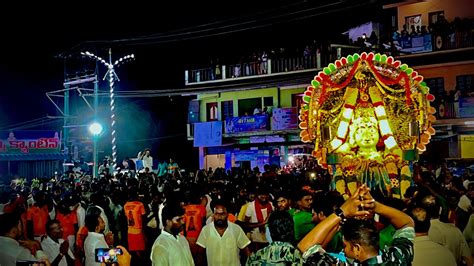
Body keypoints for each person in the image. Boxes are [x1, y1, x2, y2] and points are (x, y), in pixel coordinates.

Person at [298, 185, 415, 265]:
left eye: (345, 246)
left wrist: (342, 211)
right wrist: (375, 206)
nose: (343, 251)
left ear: (357, 248)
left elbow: (305, 246)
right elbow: (407, 223)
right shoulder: (397, 259)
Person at [197, 199, 251, 266]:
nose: (219, 217)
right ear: (213, 214)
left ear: (227, 214)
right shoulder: (206, 230)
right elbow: (200, 254)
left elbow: (246, 250)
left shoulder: (236, 229)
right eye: (217, 214)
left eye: (222, 214)